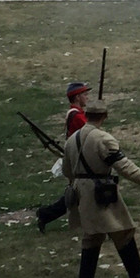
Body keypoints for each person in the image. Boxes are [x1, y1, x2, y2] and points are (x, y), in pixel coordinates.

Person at [63, 99, 140, 278]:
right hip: (100, 191)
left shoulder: (72, 139)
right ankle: (136, 276)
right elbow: (125, 167)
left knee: (93, 235)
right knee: (123, 230)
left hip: (81, 190)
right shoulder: (103, 139)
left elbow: (67, 170)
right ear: (104, 116)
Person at [36, 82, 92, 233]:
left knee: (79, 195)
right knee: (85, 193)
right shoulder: (78, 117)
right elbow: (92, 133)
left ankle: (45, 215)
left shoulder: (77, 114)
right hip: (80, 161)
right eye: (85, 94)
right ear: (77, 97)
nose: (87, 97)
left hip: (79, 159)